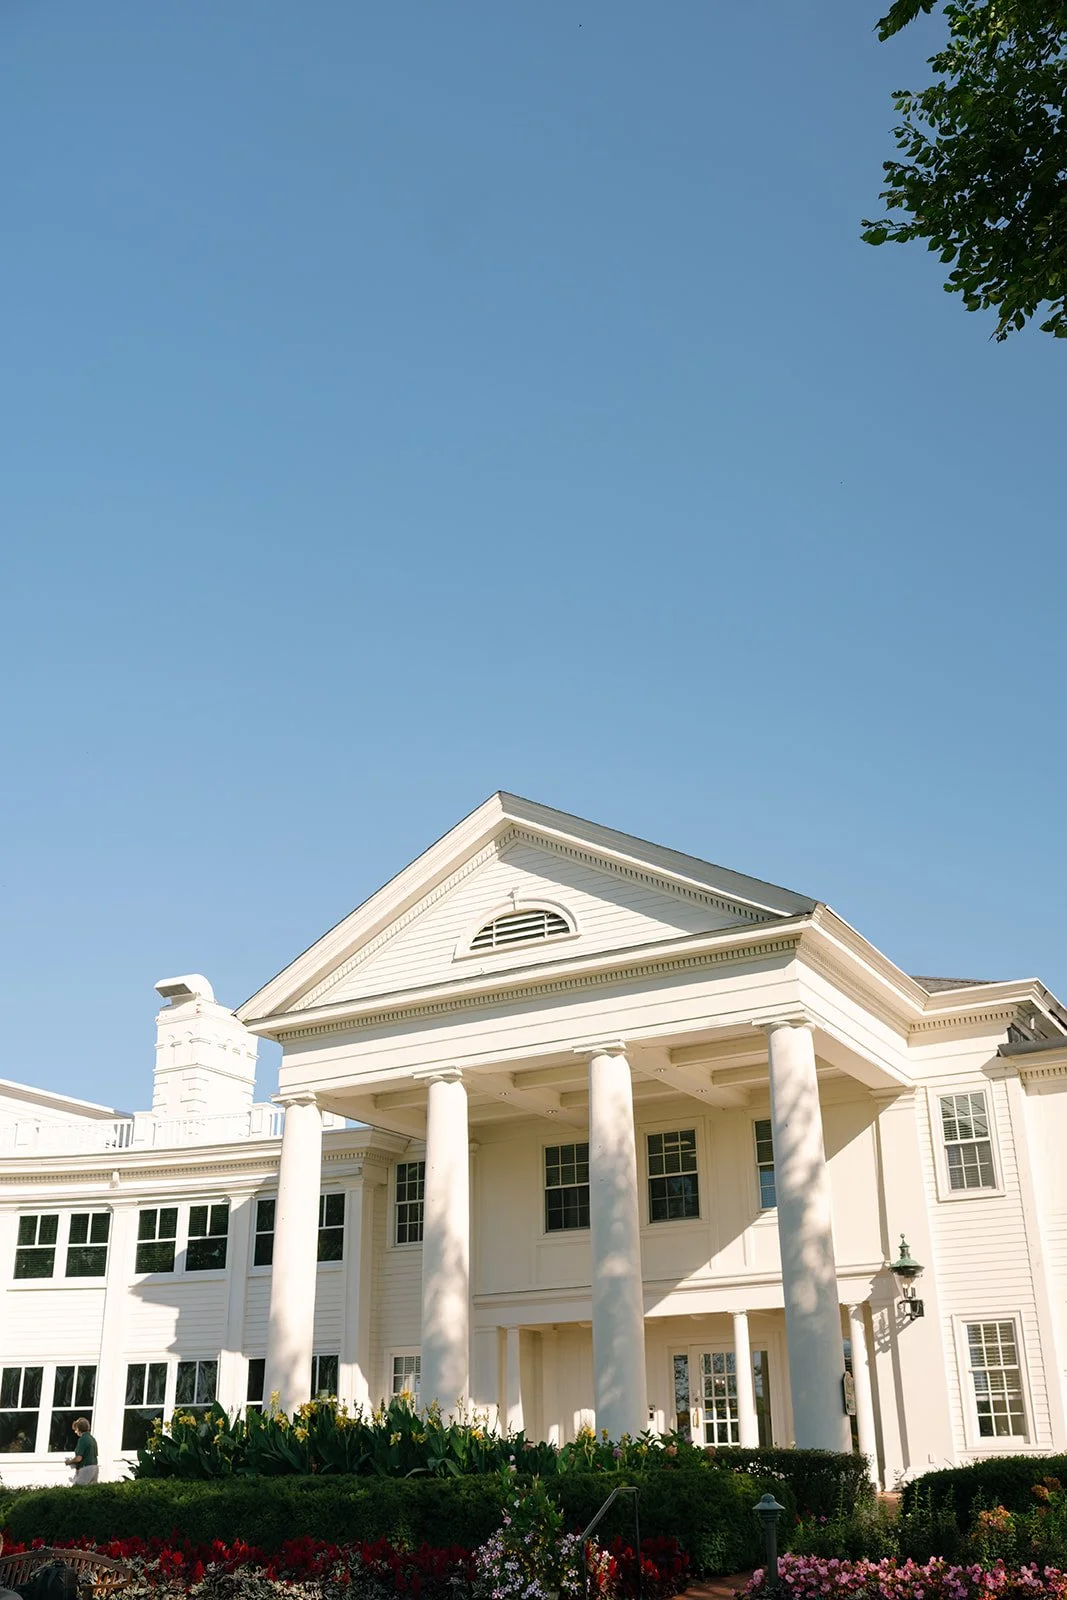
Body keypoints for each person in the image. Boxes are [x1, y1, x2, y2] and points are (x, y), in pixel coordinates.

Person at [65, 1418, 98, 1485]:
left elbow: (78, 1458)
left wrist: (69, 1462)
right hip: (95, 1467)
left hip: (86, 1468)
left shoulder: (82, 1439)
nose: (75, 1432)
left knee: (77, 1489)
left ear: (79, 1429)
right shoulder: (92, 1439)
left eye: (76, 1429)